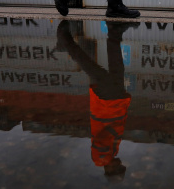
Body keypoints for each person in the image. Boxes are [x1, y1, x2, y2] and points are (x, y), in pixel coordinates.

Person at [56, 20, 139, 179]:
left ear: (111, 169)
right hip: (114, 102)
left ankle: (65, 40)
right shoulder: (111, 154)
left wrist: (114, 131)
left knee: (89, 65)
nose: (121, 164)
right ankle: (114, 33)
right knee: (114, 65)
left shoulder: (101, 158)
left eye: (119, 167)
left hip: (107, 103)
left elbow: (102, 139)